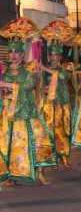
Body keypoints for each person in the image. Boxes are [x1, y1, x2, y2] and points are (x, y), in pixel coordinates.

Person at [0, 18, 58, 184]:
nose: (13, 56)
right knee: (9, 145)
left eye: (17, 53)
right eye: (11, 53)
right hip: (9, 114)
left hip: (28, 112)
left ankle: (40, 173)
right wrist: (4, 88)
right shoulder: (4, 71)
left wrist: (7, 85)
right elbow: (3, 91)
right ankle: (10, 176)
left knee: (38, 142)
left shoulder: (29, 69)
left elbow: (28, 85)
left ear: (22, 54)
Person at [39, 20, 75, 168]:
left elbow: (59, 76)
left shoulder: (65, 69)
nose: (53, 58)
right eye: (51, 55)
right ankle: (52, 157)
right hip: (48, 104)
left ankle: (64, 156)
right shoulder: (45, 69)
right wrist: (43, 88)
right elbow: (41, 85)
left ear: (60, 57)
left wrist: (43, 68)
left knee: (62, 130)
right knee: (49, 130)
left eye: (56, 56)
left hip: (61, 103)